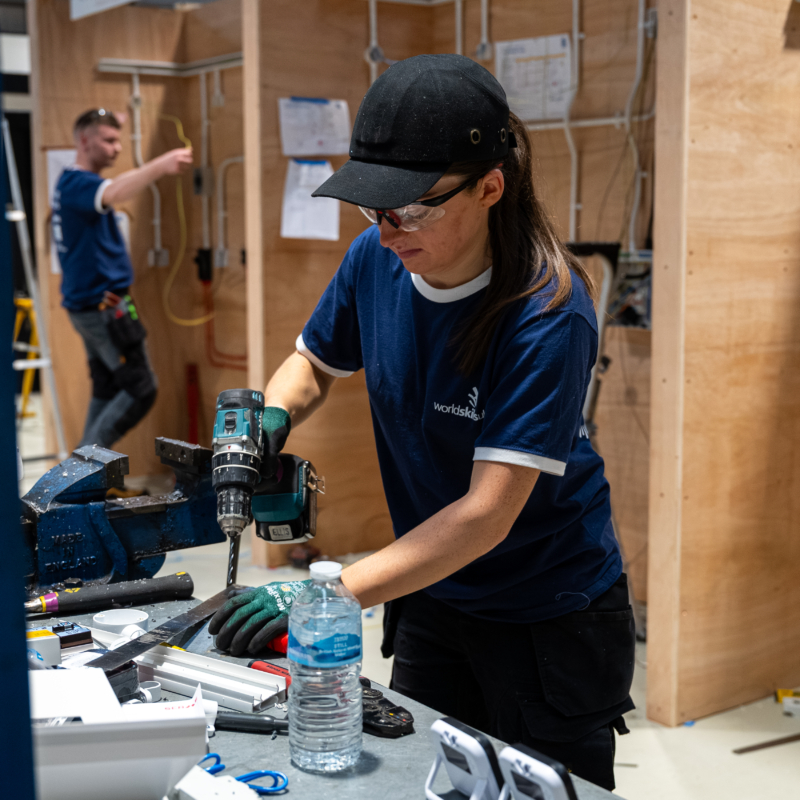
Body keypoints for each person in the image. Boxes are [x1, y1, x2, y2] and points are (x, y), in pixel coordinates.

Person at [209, 55, 635, 790]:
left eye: (409, 209)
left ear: (490, 187)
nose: (386, 231)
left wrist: (325, 593)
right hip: (435, 592)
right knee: (418, 778)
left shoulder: (547, 311)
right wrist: (272, 418)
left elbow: (483, 516)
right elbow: (312, 362)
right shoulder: (378, 259)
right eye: (373, 210)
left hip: (545, 615)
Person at [52, 108, 193, 449]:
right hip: (104, 309)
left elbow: (106, 189)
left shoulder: (70, 183)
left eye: (118, 140)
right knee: (140, 389)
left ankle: (79, 477)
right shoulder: (78, 184)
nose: (117, 148)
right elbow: (113, 192)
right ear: (84, 141)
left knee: (109, 387)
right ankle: (80, 478)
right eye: (109, 140)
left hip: (93, 306)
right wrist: (161, 165)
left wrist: (114, 118)